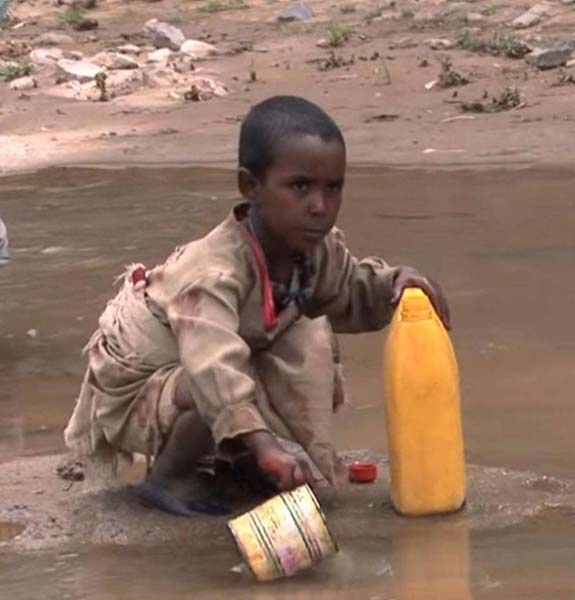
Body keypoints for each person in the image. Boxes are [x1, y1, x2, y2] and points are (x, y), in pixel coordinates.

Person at [63, 96, 451, 516]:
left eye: (332, 188)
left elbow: (349, 291)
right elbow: (211, 365)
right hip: (141, 388)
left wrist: (395, 284)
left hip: (202, 373)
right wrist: (265, 445)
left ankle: (234, 462)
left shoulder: (313, 250)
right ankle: (169, 479)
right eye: (300, 187)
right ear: (250, 187)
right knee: (225, 375)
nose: (319, 206)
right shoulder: (213, 271)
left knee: (306, 332)